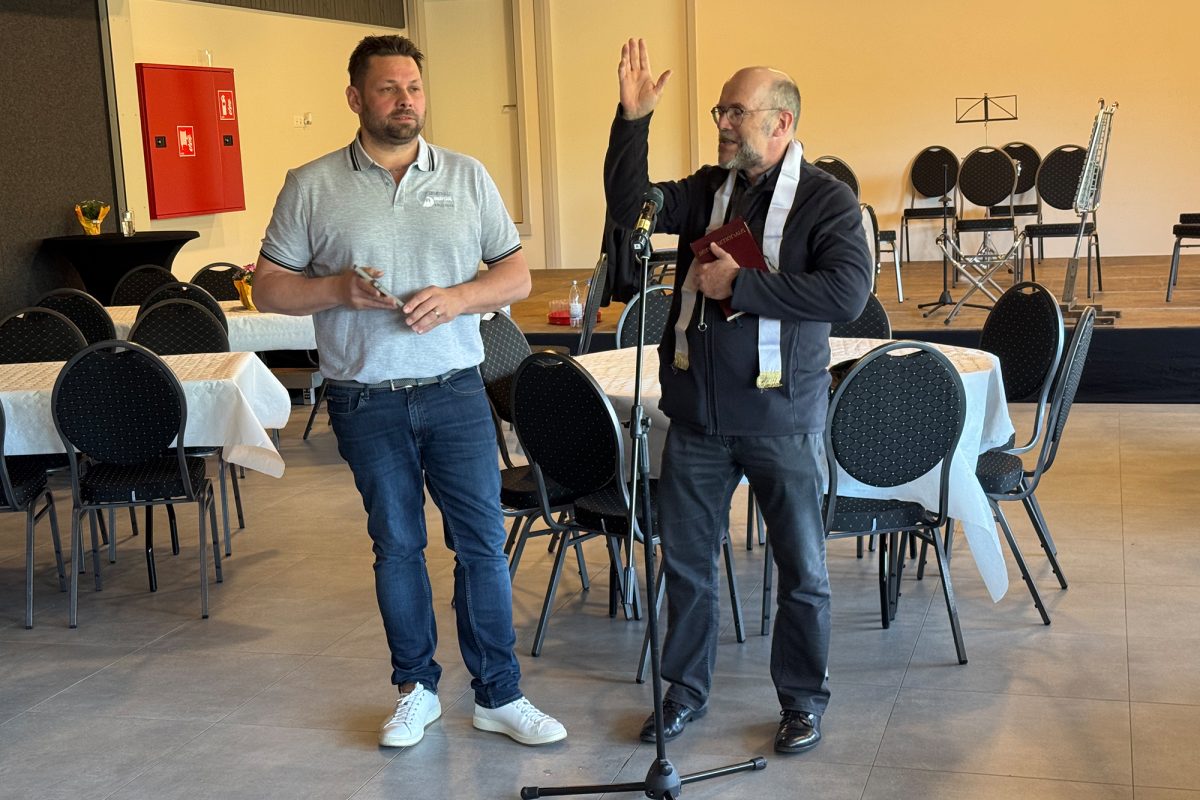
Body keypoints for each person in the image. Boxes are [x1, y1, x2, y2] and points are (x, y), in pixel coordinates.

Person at [253, 34, 566, 749]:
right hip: (364, 398)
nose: (406, 100)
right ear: (355, 98)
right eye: (389, 88)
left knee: (481, 544)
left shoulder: (466, 175)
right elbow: (269, 286)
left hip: (455, 391)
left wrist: (458, 298)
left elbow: (515, 276)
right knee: (396, 545)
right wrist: (337, 289)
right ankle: (416, 691)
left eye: (415, 88)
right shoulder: (311, 183)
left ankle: (499, 695)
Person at [604, 39, 872, 754]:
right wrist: (633, 121)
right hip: (697, 418)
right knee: (687, 567)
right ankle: (684, 693)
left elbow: (847, 293)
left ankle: (802, 703)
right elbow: (630, 205)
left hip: (781, 419)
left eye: (735, 112)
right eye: (719, 110)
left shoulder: (826, 200)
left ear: (781, 123)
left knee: (802, 572)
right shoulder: (707, 189)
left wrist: (742, 286)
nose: (721, 122)